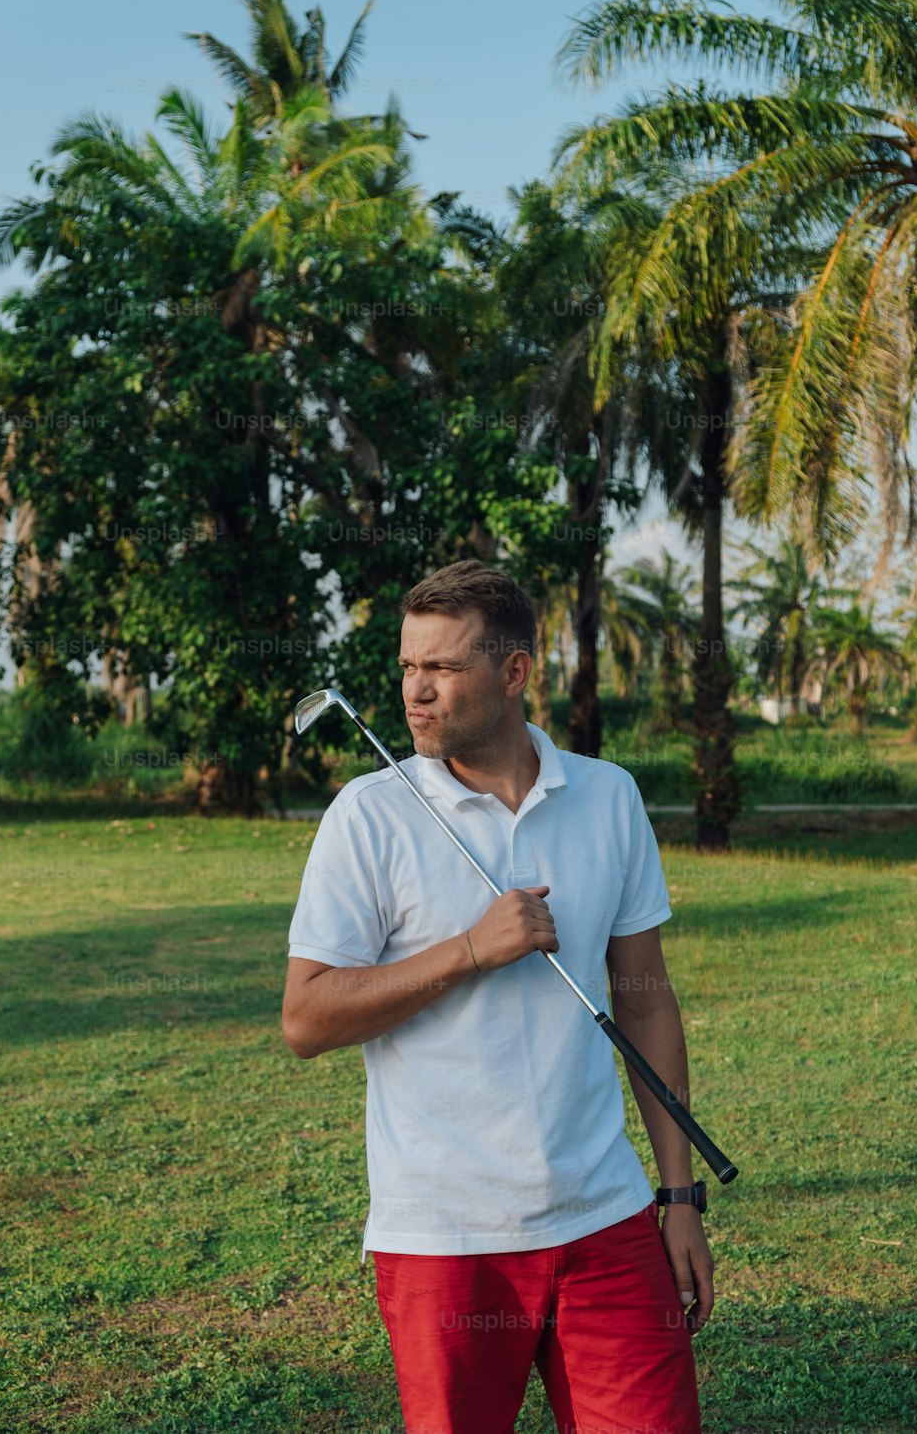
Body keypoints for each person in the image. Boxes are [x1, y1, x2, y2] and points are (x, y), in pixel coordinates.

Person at [282, 560, 714, 1434]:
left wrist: (678, 1198)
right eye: (408, 668)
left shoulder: (609, 797)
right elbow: (306, 1018)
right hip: (444, 1238)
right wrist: (470, 950)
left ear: (514, 673)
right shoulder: (368, 816)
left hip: (606, 1217)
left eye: (441, 668)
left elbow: (645, 1002)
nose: (416, 692)